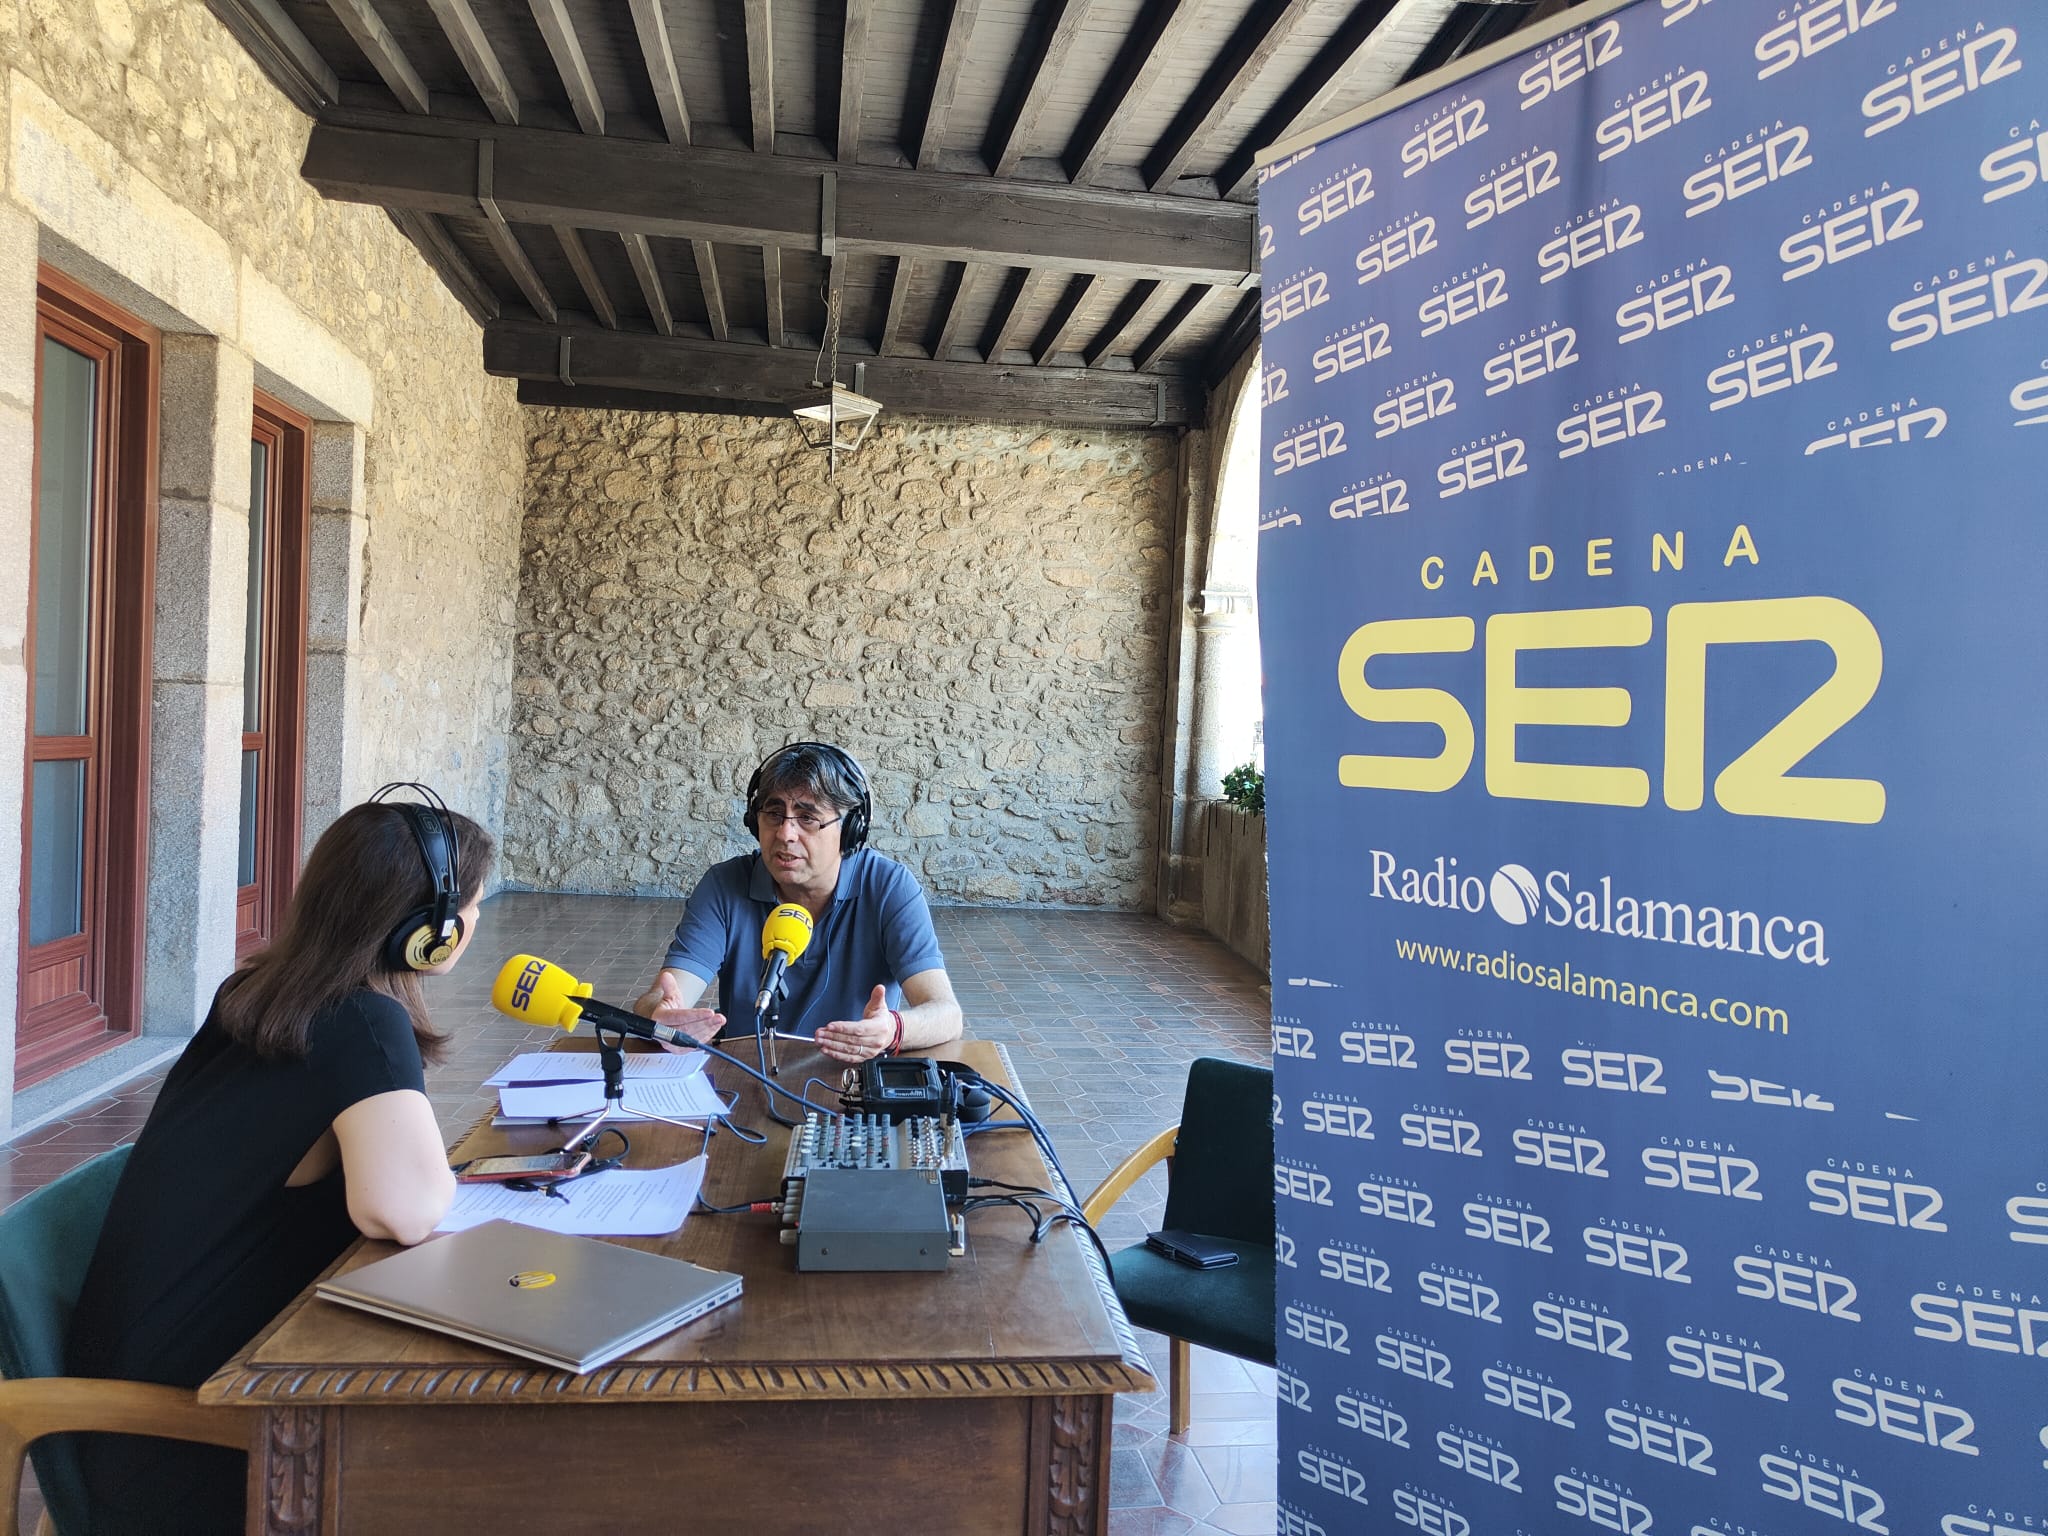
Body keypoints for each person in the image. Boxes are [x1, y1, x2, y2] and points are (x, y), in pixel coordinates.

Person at [66, 786, 492, 1536]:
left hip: (134, 1414)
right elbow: (404, 1208)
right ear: (427, 930)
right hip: (190, 1440)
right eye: (473, 906)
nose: (476, 922)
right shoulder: (362, 1020)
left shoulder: (261, 992)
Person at [635, 741, 962, 1065]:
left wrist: (893, 1029)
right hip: (748, 1074)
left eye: (807, 818)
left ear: (849, 829)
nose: (785, 833)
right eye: (774, 814)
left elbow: (946, 1014)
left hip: (849, 1080)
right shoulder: (724, 886)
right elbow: (661, 999)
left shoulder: (889, 887)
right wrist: (661, 1015)